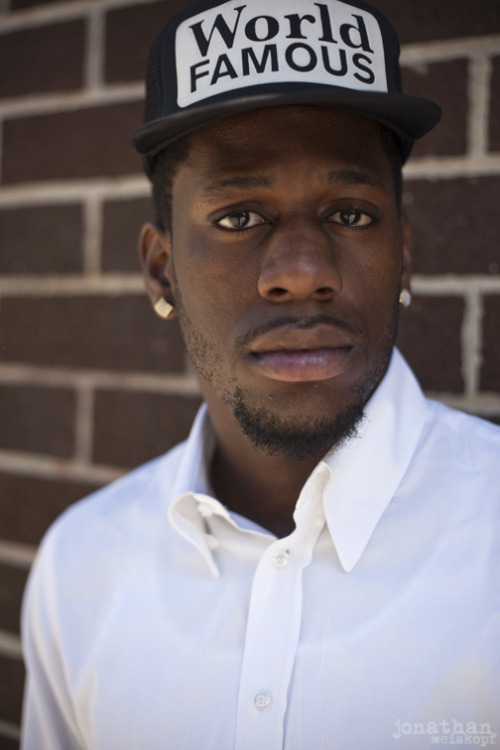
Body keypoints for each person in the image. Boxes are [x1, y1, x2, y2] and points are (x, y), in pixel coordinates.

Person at [21, 0, 500, 748]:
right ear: (161, 269)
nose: (303, 273)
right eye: (240, 217)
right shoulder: (79, 568)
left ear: (403, 253)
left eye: (350, 213)